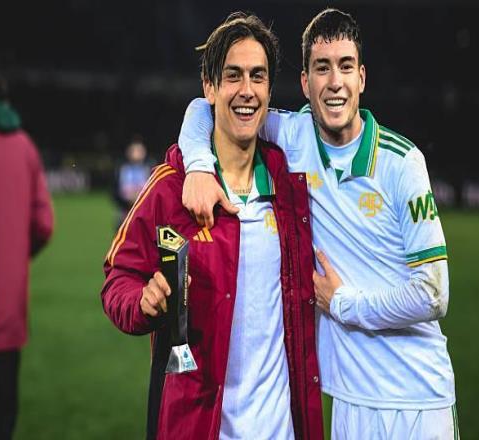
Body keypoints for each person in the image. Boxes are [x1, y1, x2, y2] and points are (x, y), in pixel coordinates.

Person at [177, 8, 458, 440]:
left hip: (417, 399)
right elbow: (205, 108)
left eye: (345, 66)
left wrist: (343, 303)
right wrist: (198, 164)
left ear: (361, 78)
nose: (335, 82)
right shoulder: (294, 136)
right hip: (347, 401)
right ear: (306, 83)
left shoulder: (402, 162)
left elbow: (434, 294)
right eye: (322, 68)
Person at [100, 12, 322, 440]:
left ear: (269, 89)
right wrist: (142, 302)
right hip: (198, 425)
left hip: (281, 427)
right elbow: (118, 277)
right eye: (233, 75)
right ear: (209, 88)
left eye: (258, 76)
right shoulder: (171, 188)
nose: (247, 90)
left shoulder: (289, 185)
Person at [0, 69, 54, 440]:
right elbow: (44, 225)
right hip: (7, 303)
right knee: (4, 408)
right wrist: (14, 255)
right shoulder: (24, 147)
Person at [112, 136, 152, 230]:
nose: (137, 153)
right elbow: (115, 190)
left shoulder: (149, 168)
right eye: (134, 150)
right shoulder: (122, 168)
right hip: (125, 210)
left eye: (139, 150)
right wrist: (126, 202)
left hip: (144, 210)